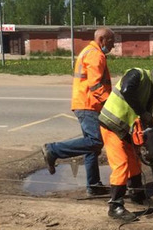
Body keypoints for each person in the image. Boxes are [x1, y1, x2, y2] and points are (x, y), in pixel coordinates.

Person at [41, 27, 115, 198]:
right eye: (111, 41)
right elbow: (96, 85)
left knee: (91, 148)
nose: (113, 45)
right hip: (89, 104)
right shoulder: (95, 54)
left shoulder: (89, 51)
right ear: (102, 39)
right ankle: (53, 150)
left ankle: (93, 185)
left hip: (86, 103)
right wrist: (110, 104)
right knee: (95, 141)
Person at [99, 63, 153, 221]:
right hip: (112, 124)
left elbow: (148, 122)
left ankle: (138, 196)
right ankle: (115, 206)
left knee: (134, 163)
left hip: (126, 129)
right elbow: (127, 91)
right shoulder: (137, 74)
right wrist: (142, 112)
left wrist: (152, 147)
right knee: (121, 164)